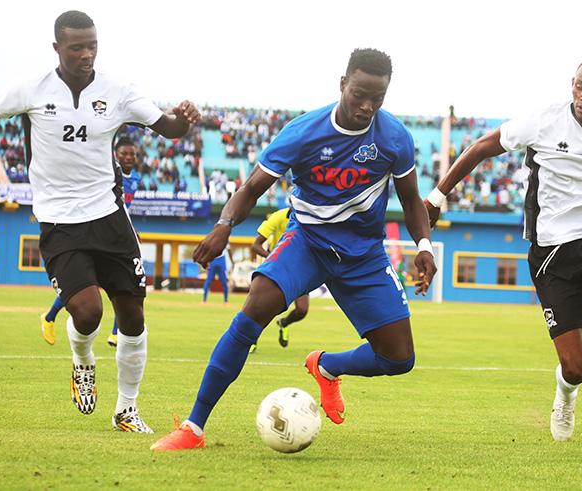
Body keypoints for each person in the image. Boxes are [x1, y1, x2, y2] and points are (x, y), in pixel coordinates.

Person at [0, 10, 200, 433]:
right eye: (77, 48)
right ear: (57, 48)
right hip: (58, 221)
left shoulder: (119, 90)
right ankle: (82, 360)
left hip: (109, 216)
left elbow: (169, 128)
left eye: (93, 45)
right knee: (87, 313)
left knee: (132, 315)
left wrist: (184, 117)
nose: (87, 54)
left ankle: (126, 409)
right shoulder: (32, 88)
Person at [151, 48, 437, 451]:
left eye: (378, 98)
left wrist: (423, 245)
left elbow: (410, 200)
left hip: (364, 255)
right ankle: (193, 427)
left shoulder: (394, 137)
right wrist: (223, 227)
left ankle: (327, 365)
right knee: (253, 311)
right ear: (343, 84)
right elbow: (251, 188)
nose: (367, 106)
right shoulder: (303, 132)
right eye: (359, 95)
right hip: (307, 243)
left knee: (398, 359)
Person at [424, 57, 582, 452]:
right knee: (576, 369)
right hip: (551, 253)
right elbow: (481, 148)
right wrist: (436, 197)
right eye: (580, 86)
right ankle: (565, 396)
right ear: (572, 83)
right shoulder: (542, 120)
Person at [40, 136, 143, 348]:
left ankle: (115, 333)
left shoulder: (135, 179)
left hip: (117, 231)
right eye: (124, 153)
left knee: (123, 282)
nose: (128, 157)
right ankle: (50, 317)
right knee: (85, 285)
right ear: (115, 154)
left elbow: (123, 205)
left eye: (132, 154)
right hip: (92, 230)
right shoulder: (105, 171)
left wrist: (129, 228)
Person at [249, 207, 309, 353]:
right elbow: (256, 245)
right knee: (265, 307)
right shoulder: (278, 217)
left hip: (299, 267)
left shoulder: (310, 218)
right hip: (277, 267)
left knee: (302, 310)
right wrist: (274, 257)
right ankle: (251, 340)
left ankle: (283, 323)